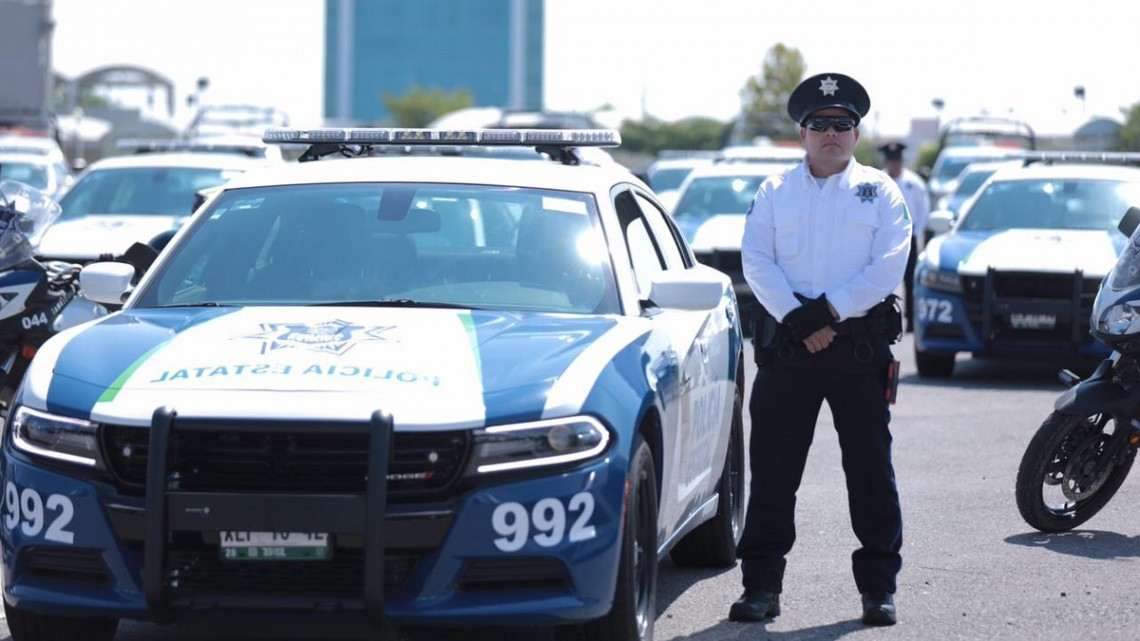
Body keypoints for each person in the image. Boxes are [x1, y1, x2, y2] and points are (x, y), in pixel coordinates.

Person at [732, 72, 912, 627]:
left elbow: (887, 267)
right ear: (802, 133)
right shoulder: (774, 191)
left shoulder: (881, 191)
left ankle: (877, 590)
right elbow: (755, 261)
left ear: (856, 134)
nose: (831, 133)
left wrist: (826, 313)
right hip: (789, 352)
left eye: (842, 125)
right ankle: (761, 588)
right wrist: (798, 318)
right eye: (819, 125)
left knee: (870, 472)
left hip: (856, 352)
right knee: (773, 473)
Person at [878, 141, 930, 332]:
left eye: (897, 160)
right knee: (882, 277)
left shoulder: (914, 183)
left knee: (910, 279)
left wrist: (916, 233)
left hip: (909, 236)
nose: (894, 164)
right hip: (884, 237)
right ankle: (881, 317)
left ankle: (910, 319)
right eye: (891, 160)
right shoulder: (878, 180)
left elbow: (924, 210)